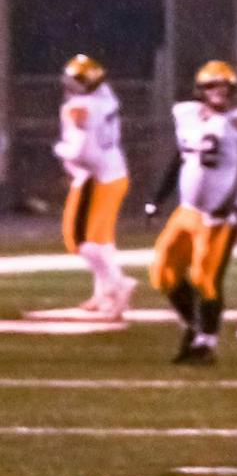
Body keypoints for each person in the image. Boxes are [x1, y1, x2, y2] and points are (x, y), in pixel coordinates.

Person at [145, 60, 237, 364]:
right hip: (187, 210)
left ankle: (206, 344)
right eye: (212, 86)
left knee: (205, 278)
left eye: (224, 87)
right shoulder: (188, 115)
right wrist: (157, 198)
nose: (218, 92)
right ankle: (194, 326)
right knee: (162, 273)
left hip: (218, 215)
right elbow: (179, 160)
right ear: (201, 90)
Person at [52, 53, 136, 318]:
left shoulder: (79, 108)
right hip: (115, 172)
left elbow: (80, 153)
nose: (70, 86)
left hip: (95, 178)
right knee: (102, 239)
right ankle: (103, 294)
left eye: (76, 82)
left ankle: (117, 284)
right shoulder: (106, 98)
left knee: (77, 239)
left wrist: (60, 150)